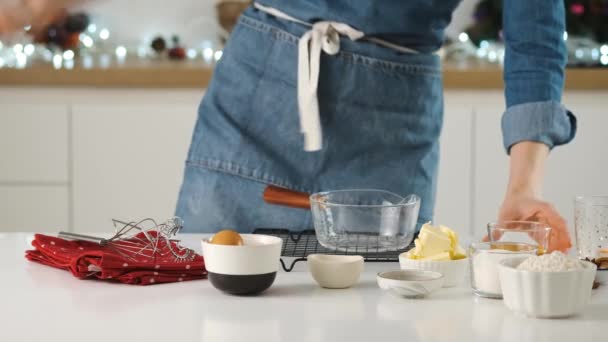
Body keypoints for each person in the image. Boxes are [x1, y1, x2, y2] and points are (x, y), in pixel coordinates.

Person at [2, 0, 574, 252]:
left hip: (391, 128)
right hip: (258, 94)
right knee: (212, 309)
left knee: (374, 324)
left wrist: (523, 188)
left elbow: (535, 36)